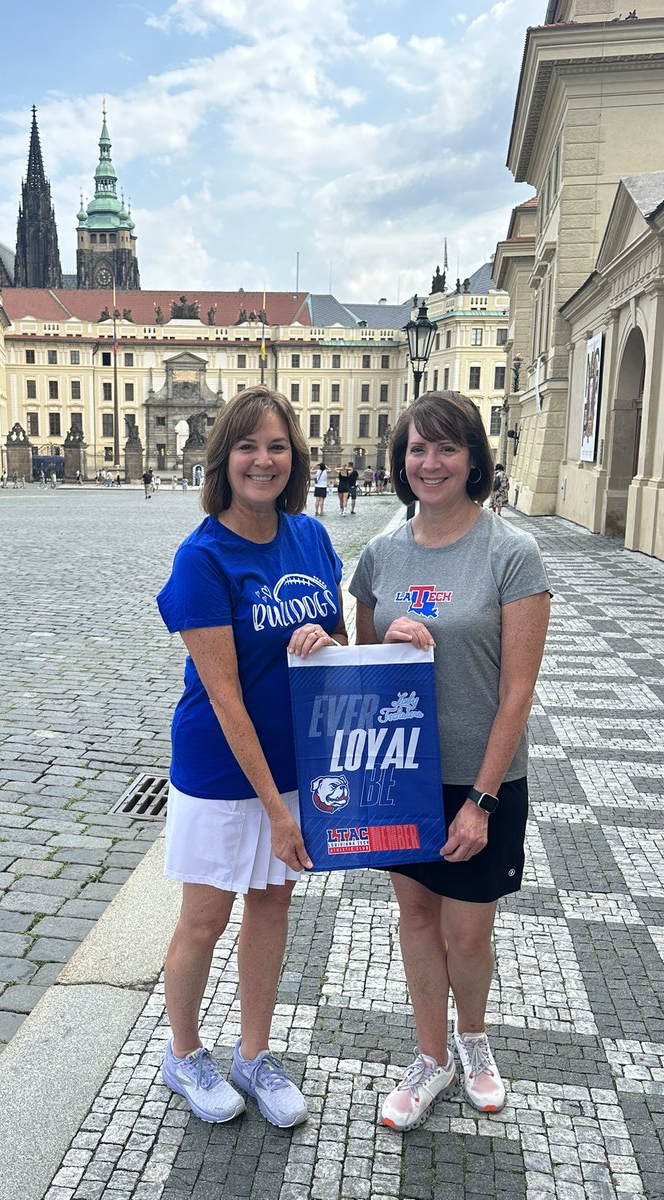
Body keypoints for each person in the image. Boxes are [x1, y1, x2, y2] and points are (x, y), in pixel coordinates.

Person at [349, 390, 551, 1133]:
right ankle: (429, 1056)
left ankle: (474, 1041)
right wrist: (368, 640)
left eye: (446, 448)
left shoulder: (510, 552)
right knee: (416, 918)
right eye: (416, 449)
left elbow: (518, 690)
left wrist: (484, 800)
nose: (429, 462)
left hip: (482, 778)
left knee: (468, 933)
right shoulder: (382, 554)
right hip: (404, 772)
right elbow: (361, 670)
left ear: (472, 460)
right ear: (402, 462)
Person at [157, 385, 348, 1129]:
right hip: (220, 767)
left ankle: (254, 1053)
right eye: (247, 446)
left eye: (276, 446)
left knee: (272, 904)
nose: (263, 460)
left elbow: (334, 643)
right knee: (204, 916)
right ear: (224, 458)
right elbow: (226, 696)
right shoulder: (202, 556)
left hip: (294, 758)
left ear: (293, 458)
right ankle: (183, 1054)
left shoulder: (311, 539)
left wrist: (327, 642)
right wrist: (275, 810)